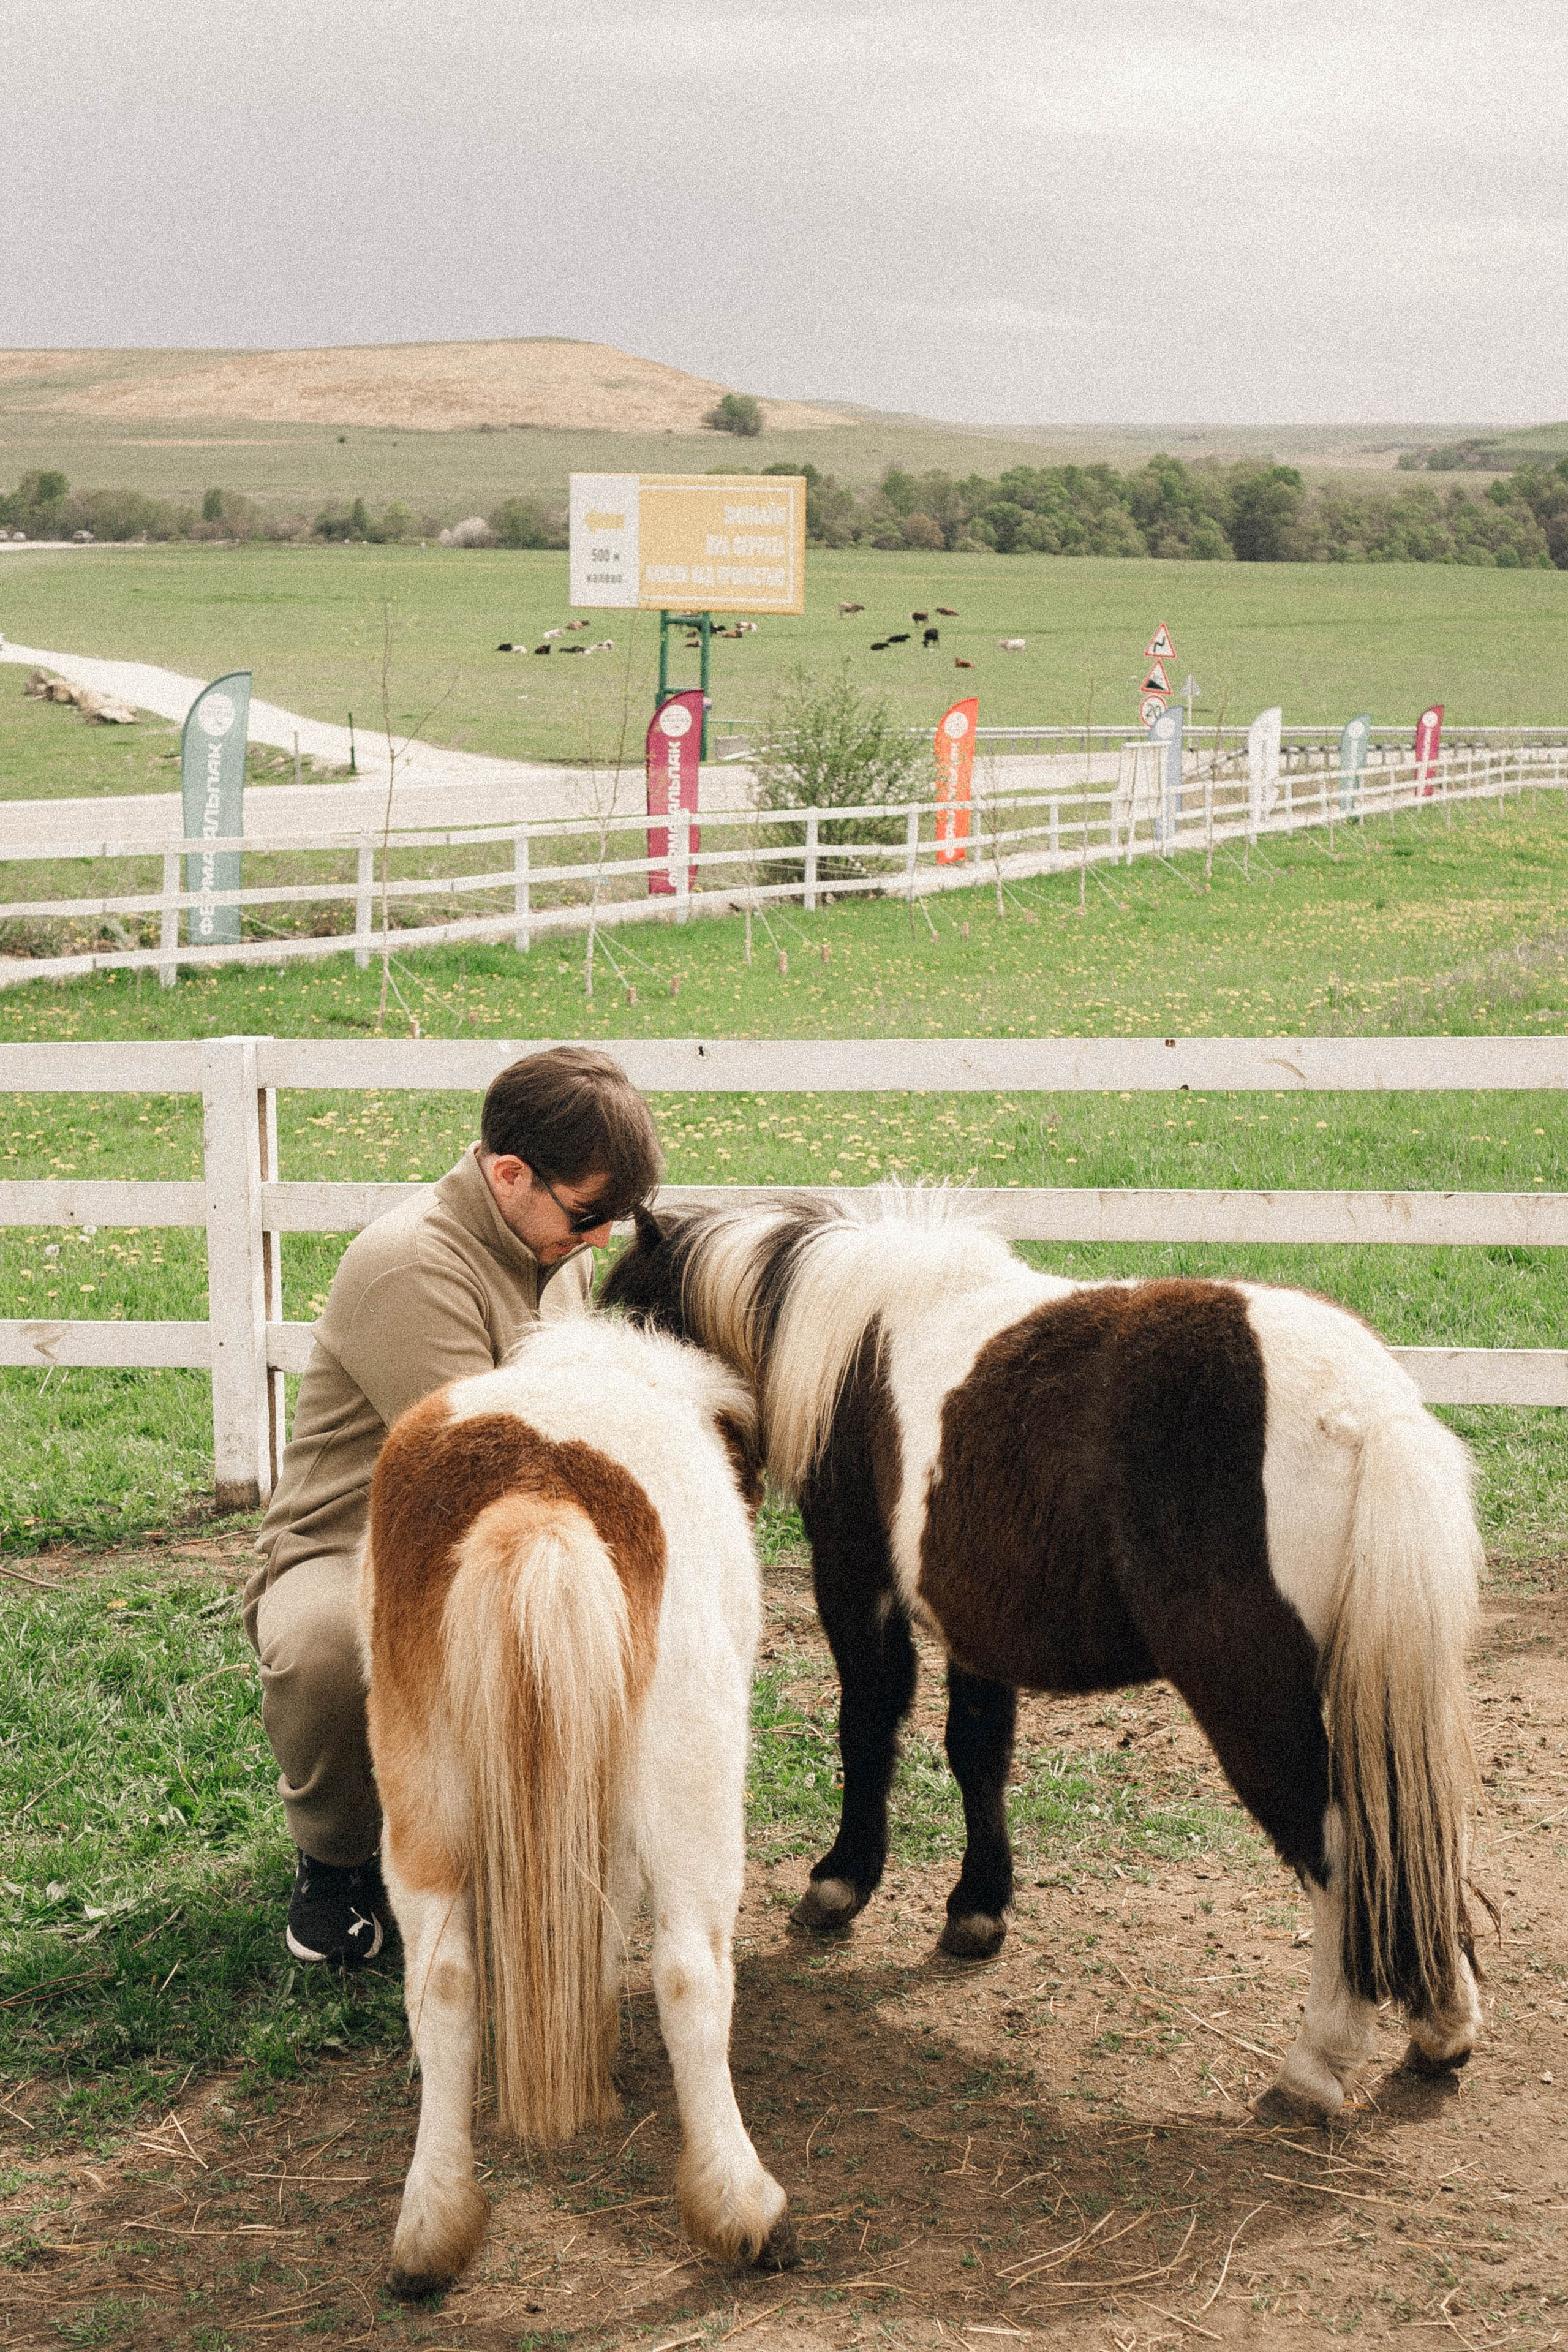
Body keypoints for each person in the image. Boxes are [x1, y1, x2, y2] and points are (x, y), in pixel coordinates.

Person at [243, 1046, 662, 1966]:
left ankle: (523, 1833)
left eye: (615, 1220)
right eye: (588, 1214)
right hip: (356, 1541)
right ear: (510, 1175)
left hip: (503, 1519)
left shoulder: (551, 1247)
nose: (601, 1240)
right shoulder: (410, 1266)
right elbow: (484, 1470)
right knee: (326, 1652)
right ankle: (337, 1861)